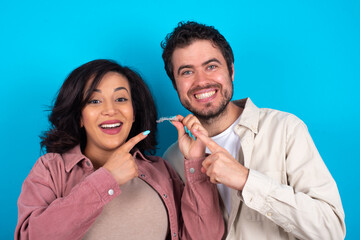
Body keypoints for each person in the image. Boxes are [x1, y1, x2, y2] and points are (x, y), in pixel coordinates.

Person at [161, 21, 346, 239]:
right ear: (175, 84)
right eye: (187, 72)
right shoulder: (173, 158)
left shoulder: (285, 129)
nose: (202, 81)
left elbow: (331, 230)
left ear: (231, 71)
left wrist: (247, 180)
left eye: (211, 66)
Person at [15, 59, 224, 240]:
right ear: (79, 116)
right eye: (94, 101)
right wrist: (106, 179)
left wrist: (196, 163)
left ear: (134, 113)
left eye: (121, 99)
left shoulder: (161, 171)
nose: (110, 110)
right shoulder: (51, 170)